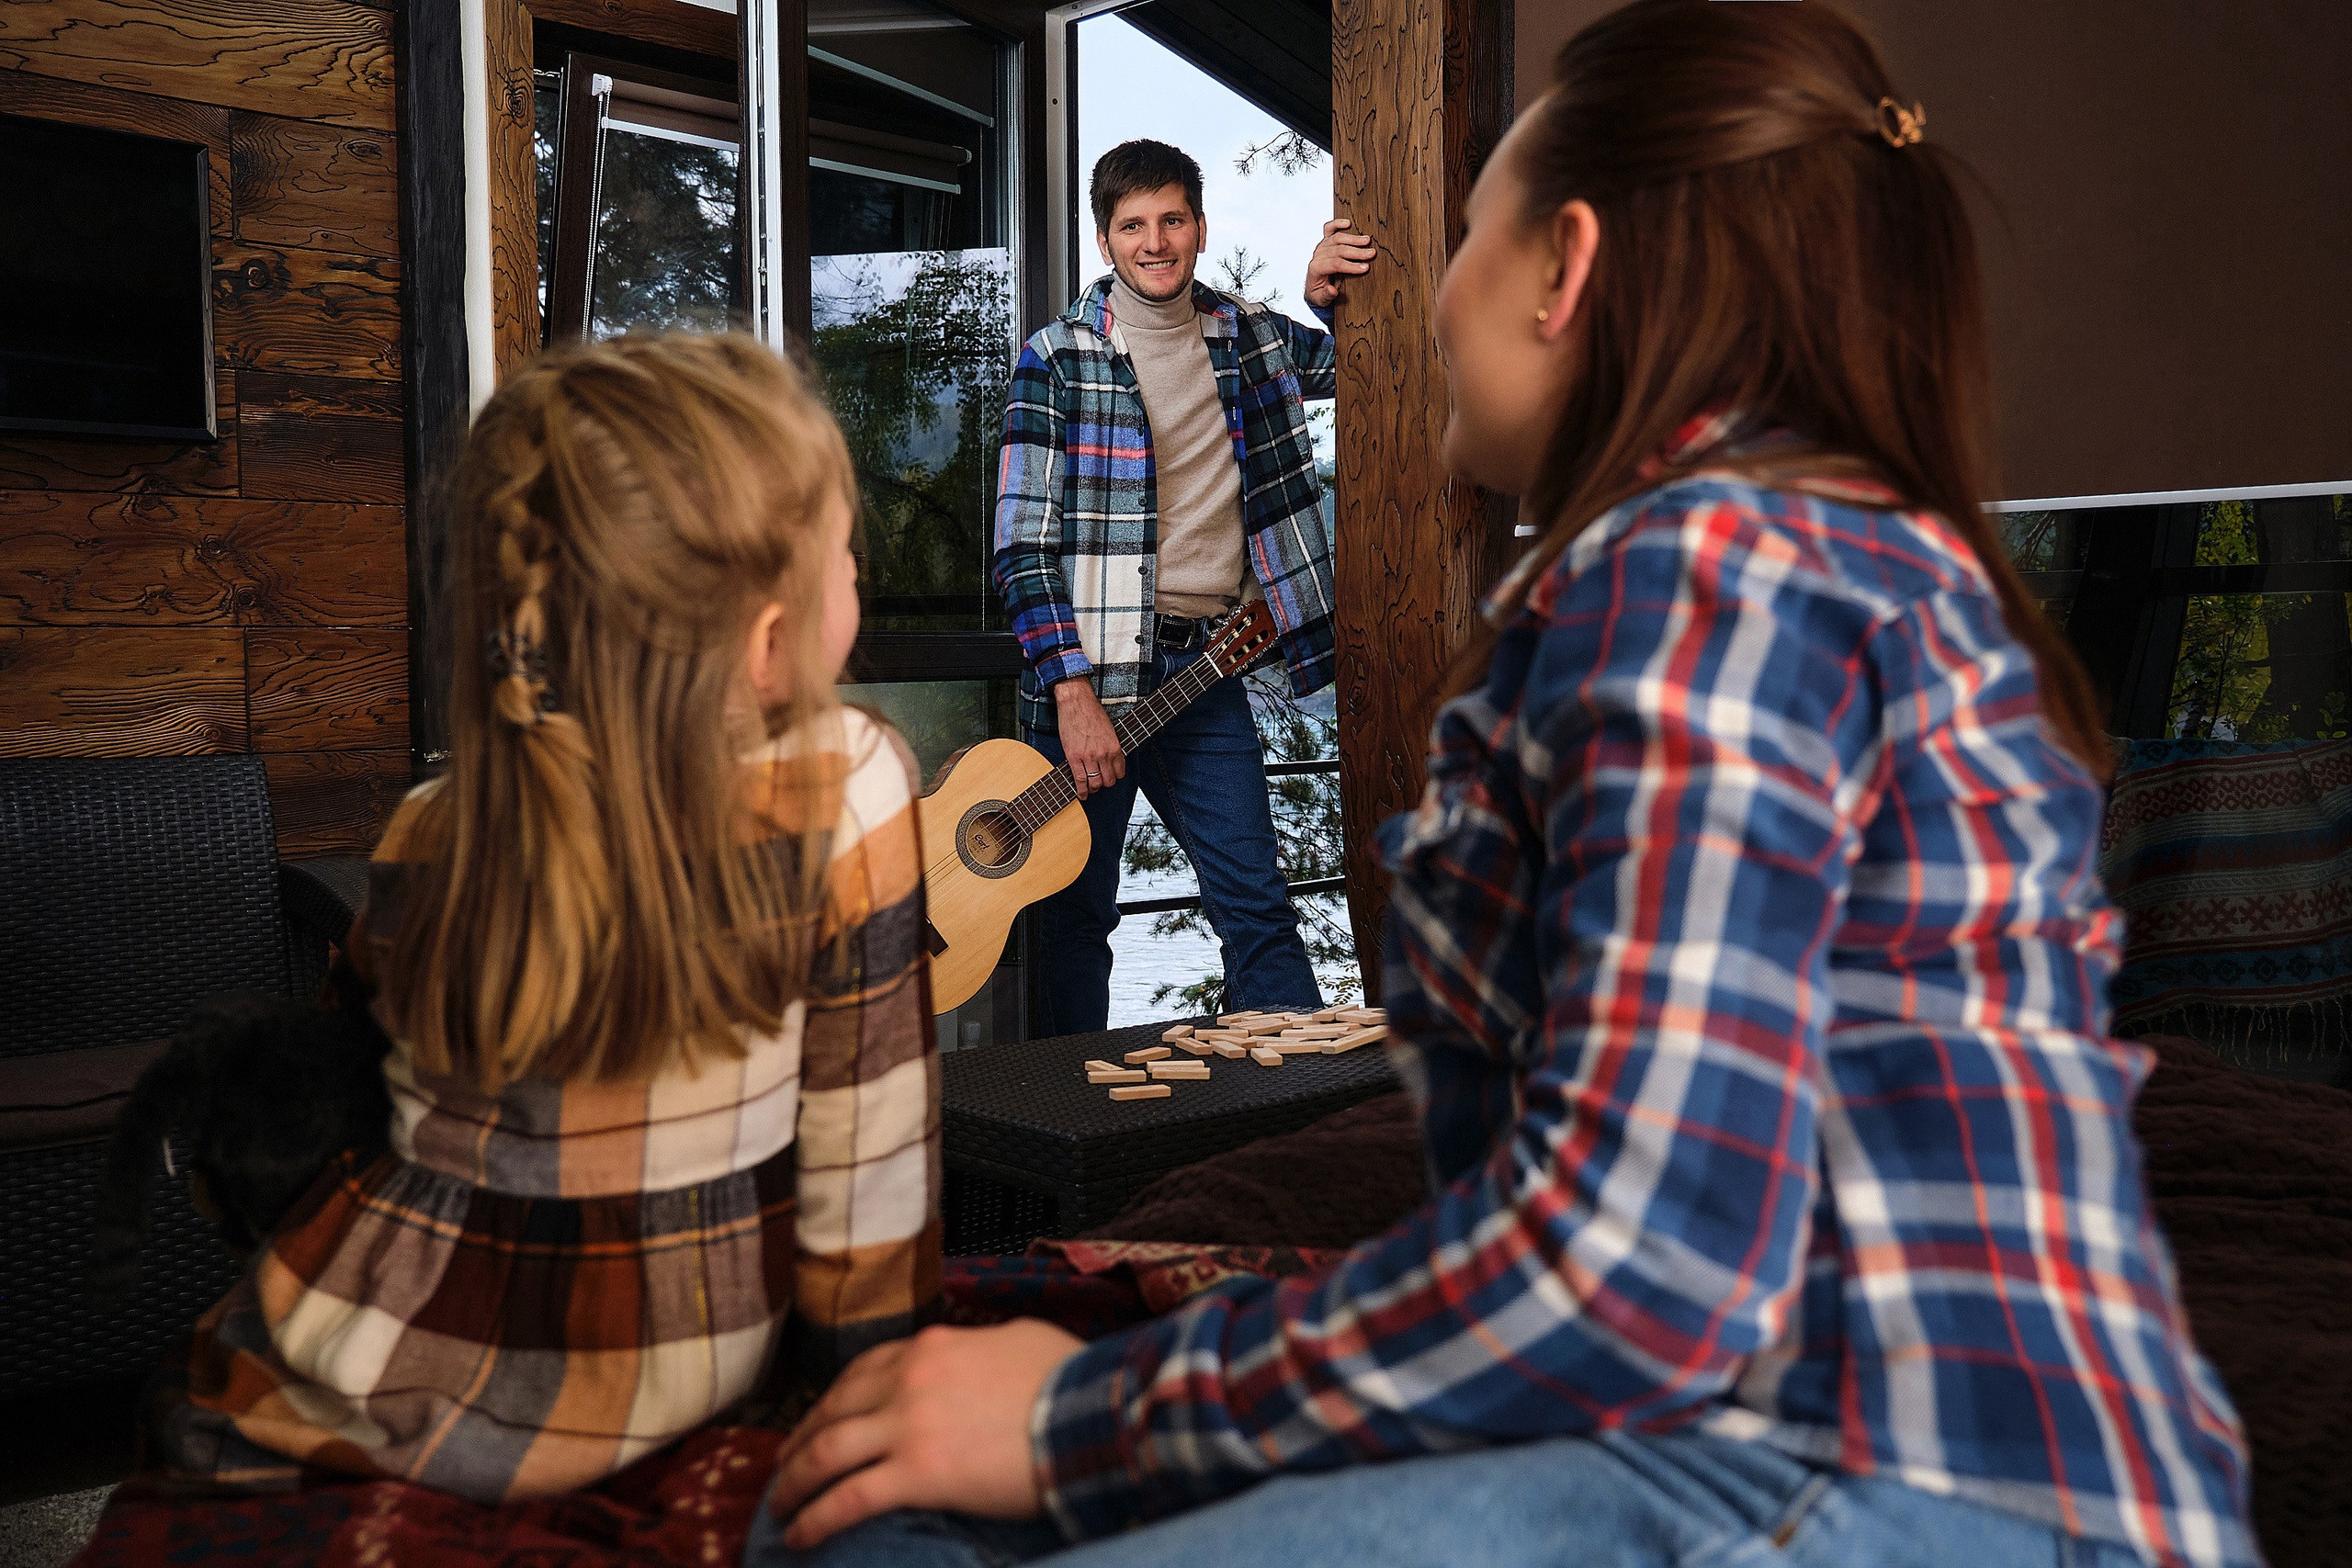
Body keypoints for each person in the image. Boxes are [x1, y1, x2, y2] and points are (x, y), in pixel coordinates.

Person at [742, 2, 2261, 1565]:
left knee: (863, 1529)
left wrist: (1089, 1417)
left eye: (1465, 233)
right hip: (1851, 1432)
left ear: (1565, 271)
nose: (1436, 289)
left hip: (1866, 1472)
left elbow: (1639, 1275)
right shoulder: (1829, 553)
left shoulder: (1706, 589)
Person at [146, 334, 943, 1503]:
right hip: (664, 1373)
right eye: (845, 559)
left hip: (352, 1360)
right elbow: (869, 1171)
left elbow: (350, 1081)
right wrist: (865, 1402)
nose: (858, 577)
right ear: (770, 642)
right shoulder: (850, 784)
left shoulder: (433, 824)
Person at [992, 138, 1377, 1033]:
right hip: (1087, 684)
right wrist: (1073, 697)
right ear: (1104, 240)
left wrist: (1326, 295)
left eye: (1171, 220)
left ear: (1200, 228)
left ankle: (1293, 1102)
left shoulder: (1251, 338)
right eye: (1133, 225)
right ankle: (1070, 1111)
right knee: (1072, 921)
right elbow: (1020, 549)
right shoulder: (1056, 358)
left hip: (1206, 673)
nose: (1154, 241)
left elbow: (1366, 365)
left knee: (1257, 905)